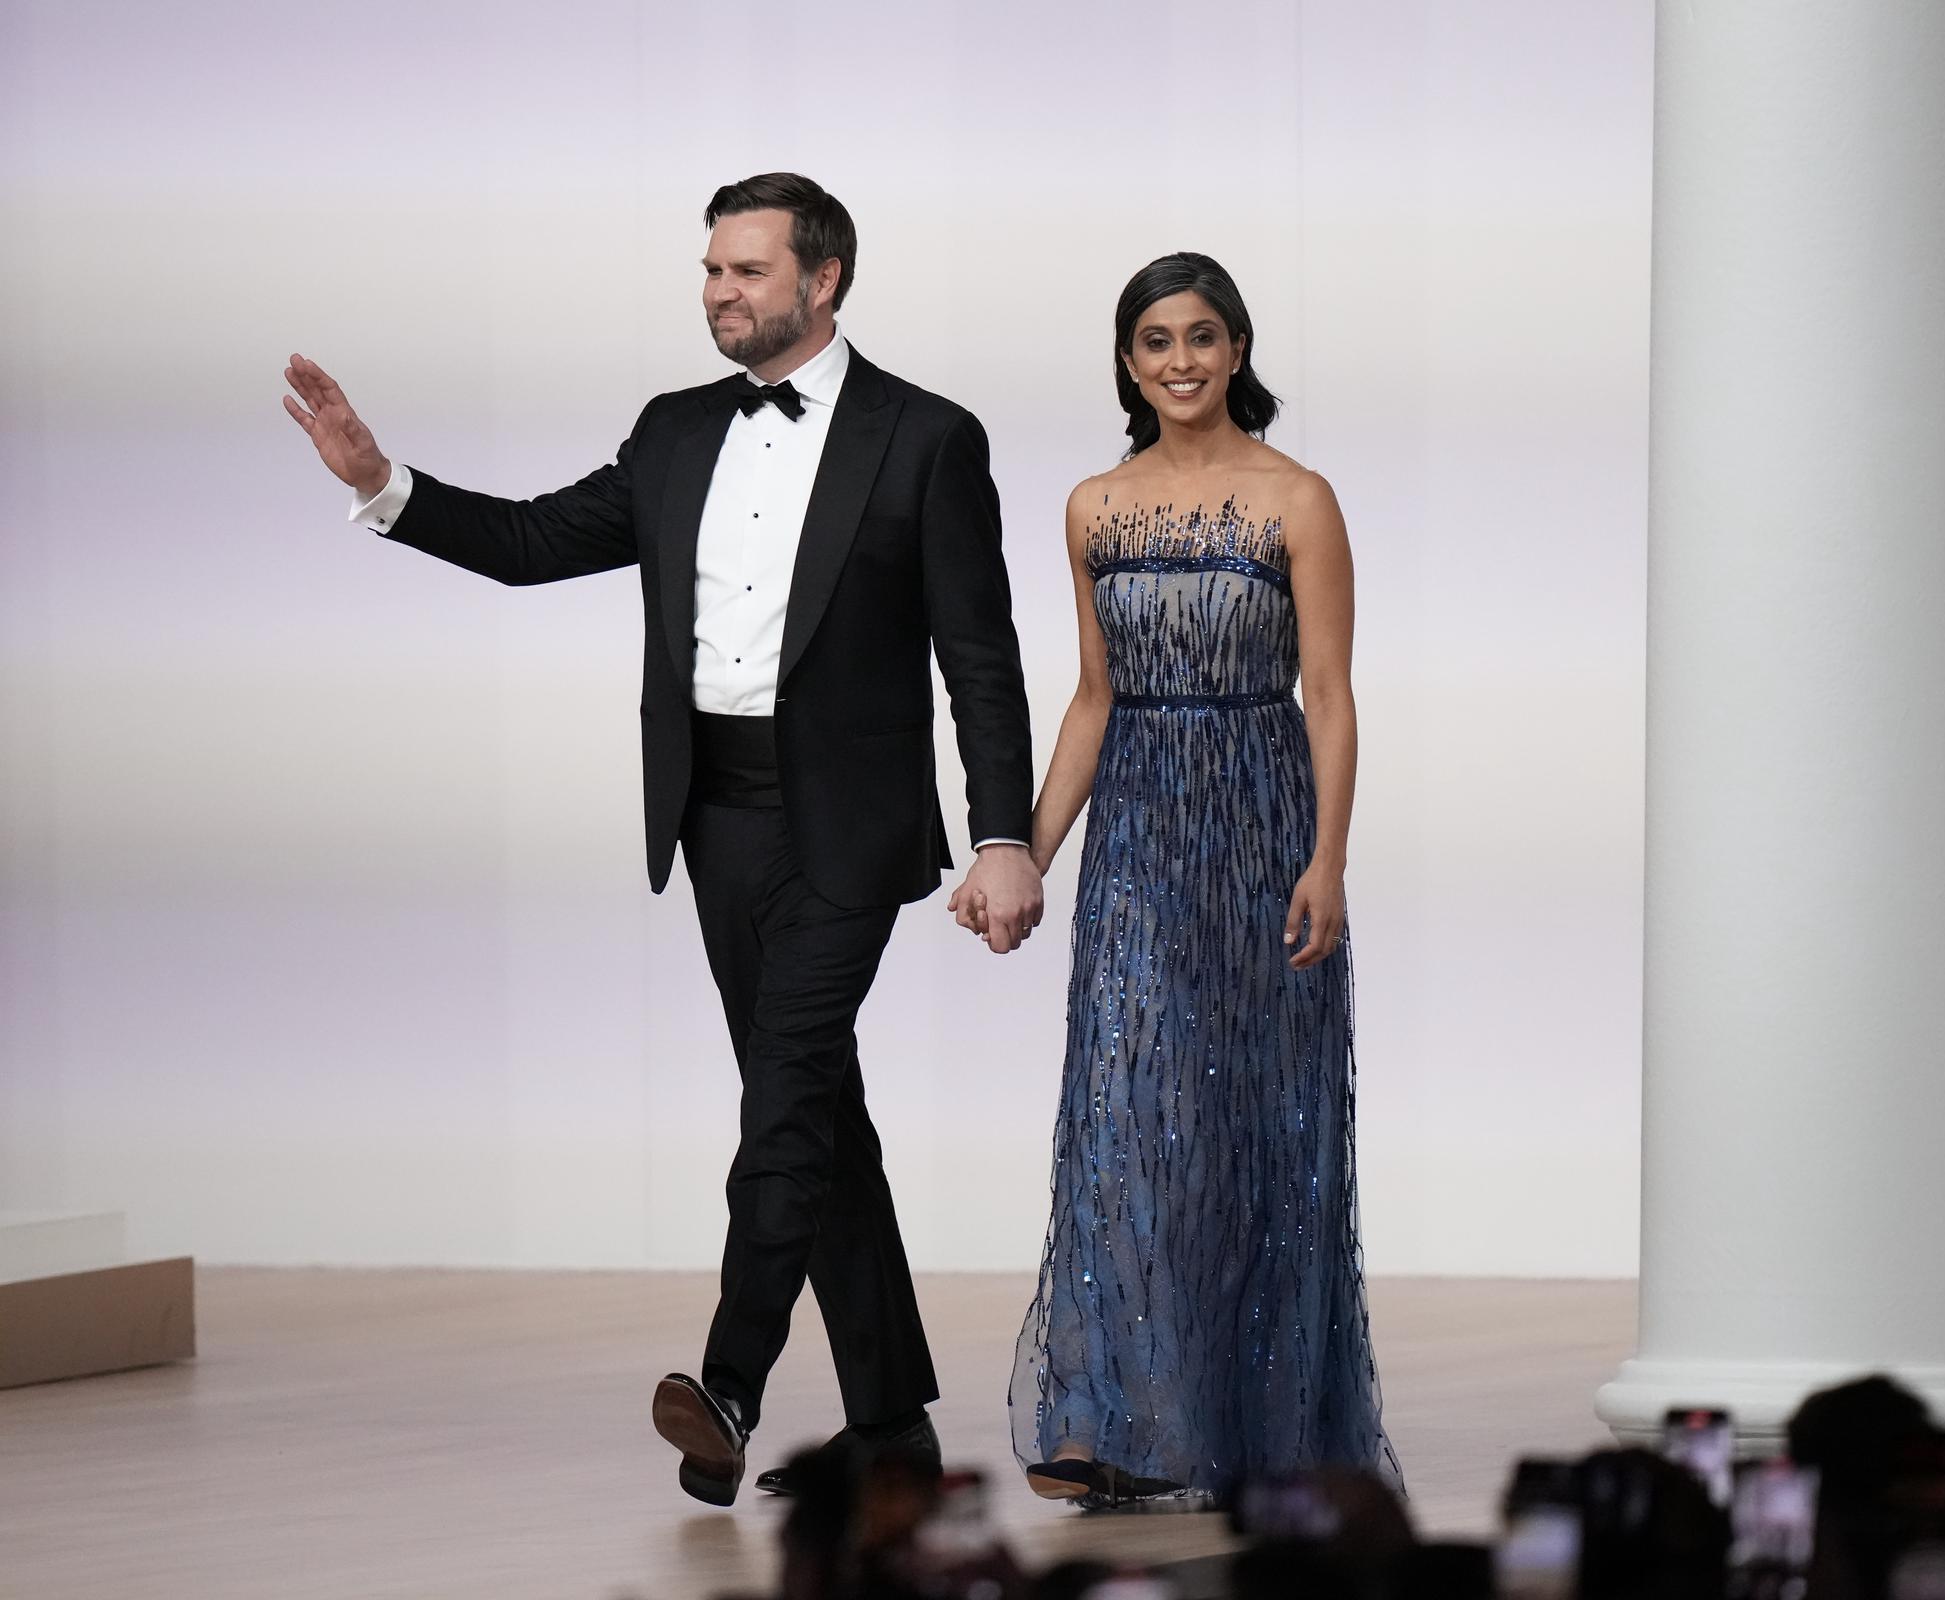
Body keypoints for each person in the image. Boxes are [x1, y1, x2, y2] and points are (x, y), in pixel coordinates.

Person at [280, 172, 1043, 1506]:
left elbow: (980, 656)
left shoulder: (927, 437)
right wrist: (382, 483)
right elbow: (528, 543)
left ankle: (731, 1382)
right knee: (817, 1116)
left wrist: (1002, 836)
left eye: (746, 271)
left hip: (852, 828)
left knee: (786, 1095)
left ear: (827, 279)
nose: (718, 293)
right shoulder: (675, 430)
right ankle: (895, 1442)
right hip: (717, 817)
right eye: (708, 270)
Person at [995, 252, 1400, 1504]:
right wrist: (1023, 848)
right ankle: (1109, 1424)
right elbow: (1092, 698)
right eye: (1156, 340)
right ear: (1129, 361)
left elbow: (1327, 695)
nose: (1180, 360)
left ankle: (1259, 1432)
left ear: (1237, 352)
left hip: (1263, 828)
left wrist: (1328, 858)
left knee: (1258, 1133)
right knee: (1125, 1127)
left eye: (1202, 337)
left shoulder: (1298, 500)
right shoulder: (1092, 507)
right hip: (1135, 845)